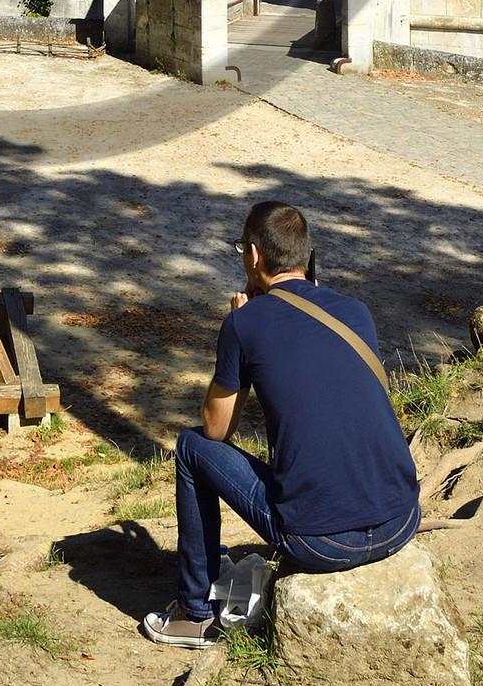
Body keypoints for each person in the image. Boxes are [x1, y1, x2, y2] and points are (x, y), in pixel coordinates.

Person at [142, 199, 420, 647]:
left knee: (192, 447)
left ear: (253, 255)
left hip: (321, 543)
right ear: (306, 255)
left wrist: (239, 332)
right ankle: (201, 596)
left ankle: (194, 613)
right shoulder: (356, 311)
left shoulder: (244, 323)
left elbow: (216, 429)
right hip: (401, 520)